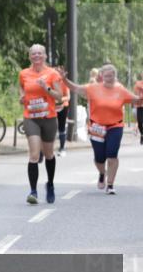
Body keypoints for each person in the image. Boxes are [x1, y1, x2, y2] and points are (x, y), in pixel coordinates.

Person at [64, 64, 141, 194]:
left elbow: (136, 100)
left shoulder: (120, 90)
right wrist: (64, 79)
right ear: (101, 76)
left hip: (115, 126)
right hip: (97, 127)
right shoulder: (93, 88)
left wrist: (139, 98)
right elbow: (75, 88)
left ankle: (110, 184)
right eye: (106, 76)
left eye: (111, 76)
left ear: (115, 76)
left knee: (112, 155)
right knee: (99, 158)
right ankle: (102, 173)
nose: (109, 78)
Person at [18, 44, 64, 205]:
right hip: (31, 117)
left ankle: (50, 184)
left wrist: (47, 88)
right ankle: (33, 192)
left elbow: (59, 97)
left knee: (49, 154)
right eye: (33, 54)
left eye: (39, 53)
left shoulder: (52, 73)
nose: (36, 56)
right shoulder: (24, 73)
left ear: (45, 56)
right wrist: (22, 97)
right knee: (34, 155)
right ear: (30, 57)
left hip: (48, 117)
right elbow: (22, 89)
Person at [54, 65, 71, 156]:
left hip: (63, 106)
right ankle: (46, 149)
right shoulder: (50, 82)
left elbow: (68, 97)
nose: (56, 73)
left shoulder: (64, 82)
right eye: (55, 71)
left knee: (61, 127)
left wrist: (59, 100)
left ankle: (62, 148)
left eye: (58, 71)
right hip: (52, 107)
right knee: (49, 127)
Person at [134, 72, 143, 144]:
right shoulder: (138, 83)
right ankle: (142, 134)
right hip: (139, 105)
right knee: (140, 122)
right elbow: (136, 93)